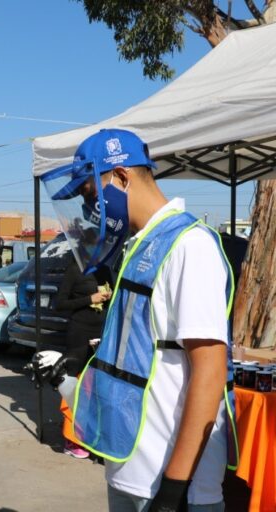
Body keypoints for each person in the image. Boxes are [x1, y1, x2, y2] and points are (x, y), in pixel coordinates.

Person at [36, 128, 237, 511]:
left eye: (89, 194)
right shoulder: (141, 243)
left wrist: (175, 487)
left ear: (122, 178)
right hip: (129, 466)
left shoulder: (189, 246)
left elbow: (209, 373)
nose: (87, 207)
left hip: (172, 483)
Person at [54, 258, 111, 459]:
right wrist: (90, 299)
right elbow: (59, 303)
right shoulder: (75, 268)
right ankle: (71, 438)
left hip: (101, 332)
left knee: (94, 385)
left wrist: (109, 297)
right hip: (79, 332)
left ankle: (92, 435)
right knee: (74, 383)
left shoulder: (105, 269)